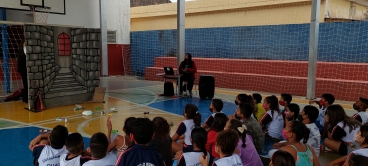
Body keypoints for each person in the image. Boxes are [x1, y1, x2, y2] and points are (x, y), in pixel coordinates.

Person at [18, 39, 28, 104]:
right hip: (23, 69)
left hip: (23, 69)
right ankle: (26, 98)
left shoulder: (21, 52)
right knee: (26, 83)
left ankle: (25, 97)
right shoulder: (23, 52)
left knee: (26, 83)